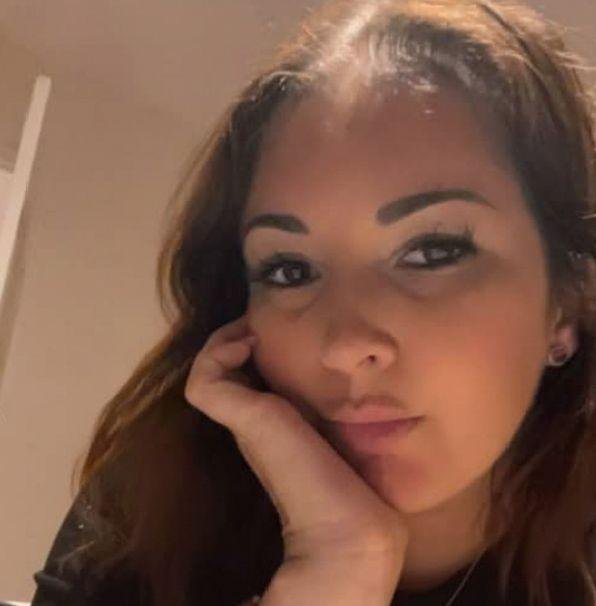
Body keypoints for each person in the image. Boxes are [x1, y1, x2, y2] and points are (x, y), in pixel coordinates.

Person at [31, 0, 596, 604]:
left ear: (565, 303)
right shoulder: (149, 506)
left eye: (433, 251)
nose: (346, 347)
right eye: (290, 269)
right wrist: (336, 568)